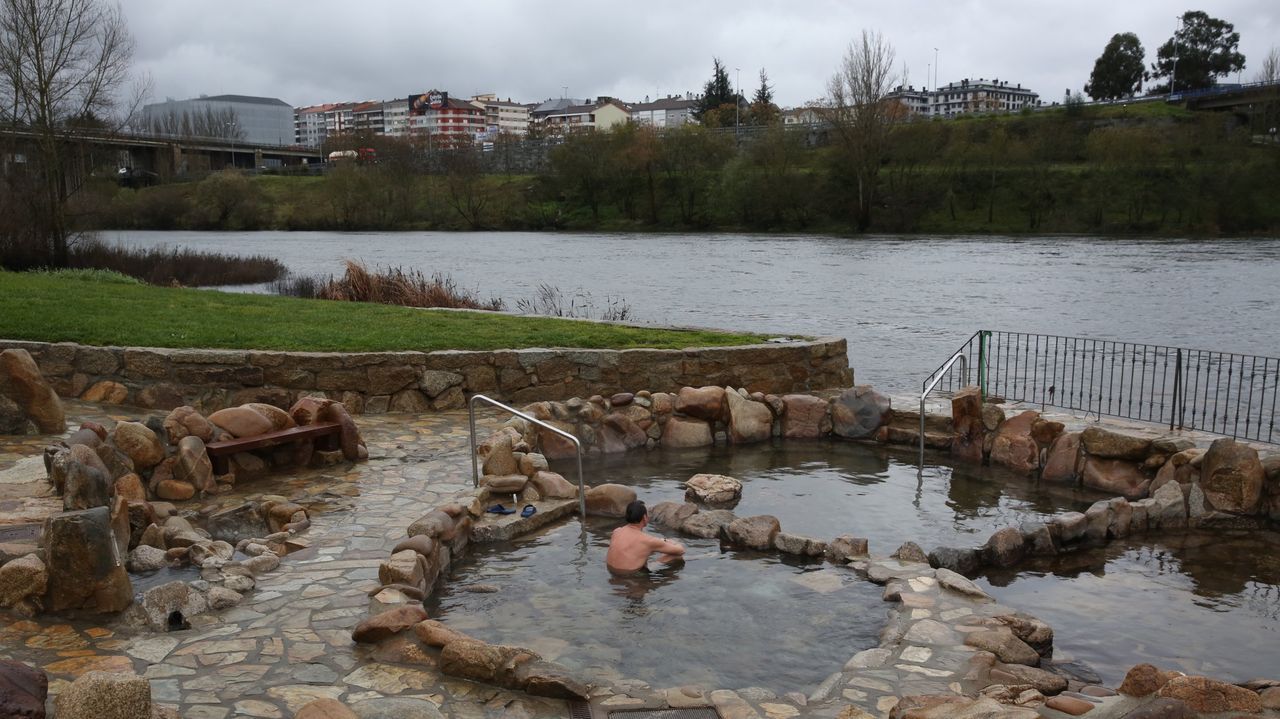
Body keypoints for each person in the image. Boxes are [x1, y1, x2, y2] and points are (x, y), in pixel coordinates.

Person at [605, 500, 685, 576]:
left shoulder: (617, 531)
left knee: (644, 553)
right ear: (644, 517)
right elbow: (680, 550)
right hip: (631, 575)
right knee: (676, 556)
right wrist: (666, 540)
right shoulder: (647, 540)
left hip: (611, 572)